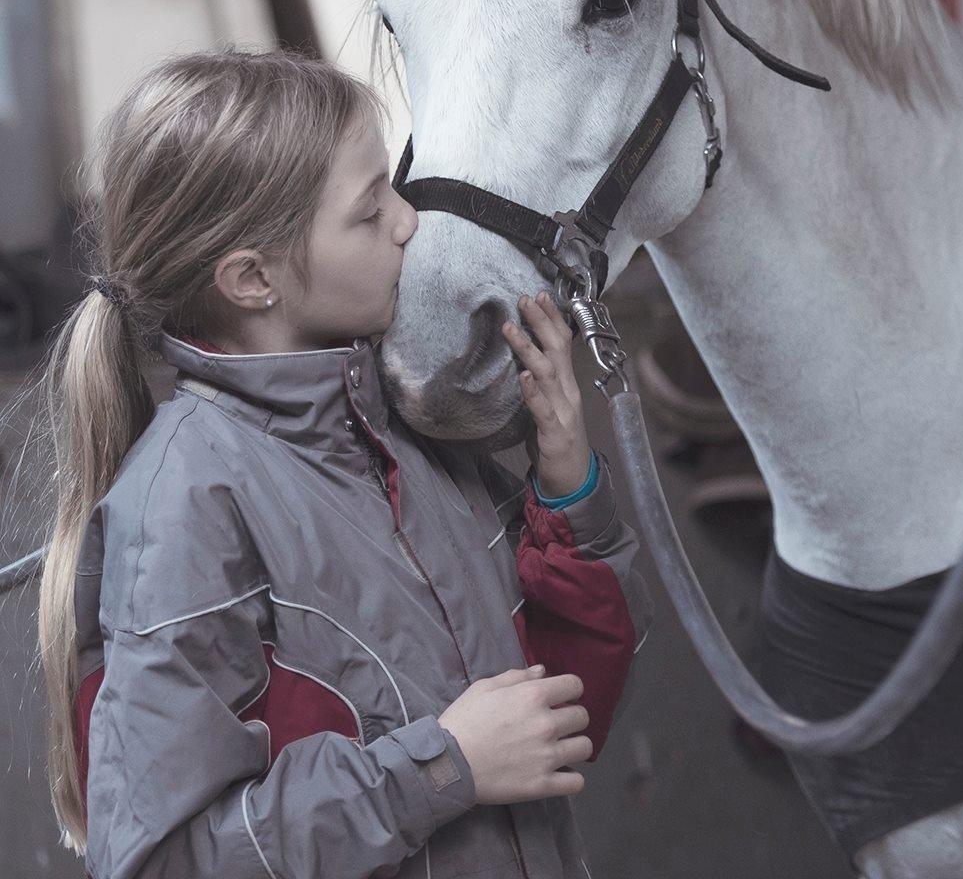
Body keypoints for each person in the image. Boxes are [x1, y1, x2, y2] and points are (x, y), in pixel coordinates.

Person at [37, 49, 653, 878]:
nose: (408, 223)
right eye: (369, 213)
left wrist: (566, 487)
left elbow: (560, 722)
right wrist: (441, 768)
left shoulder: (404, 432)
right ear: (253, 278)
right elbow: (159, 860)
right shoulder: (183, 503)